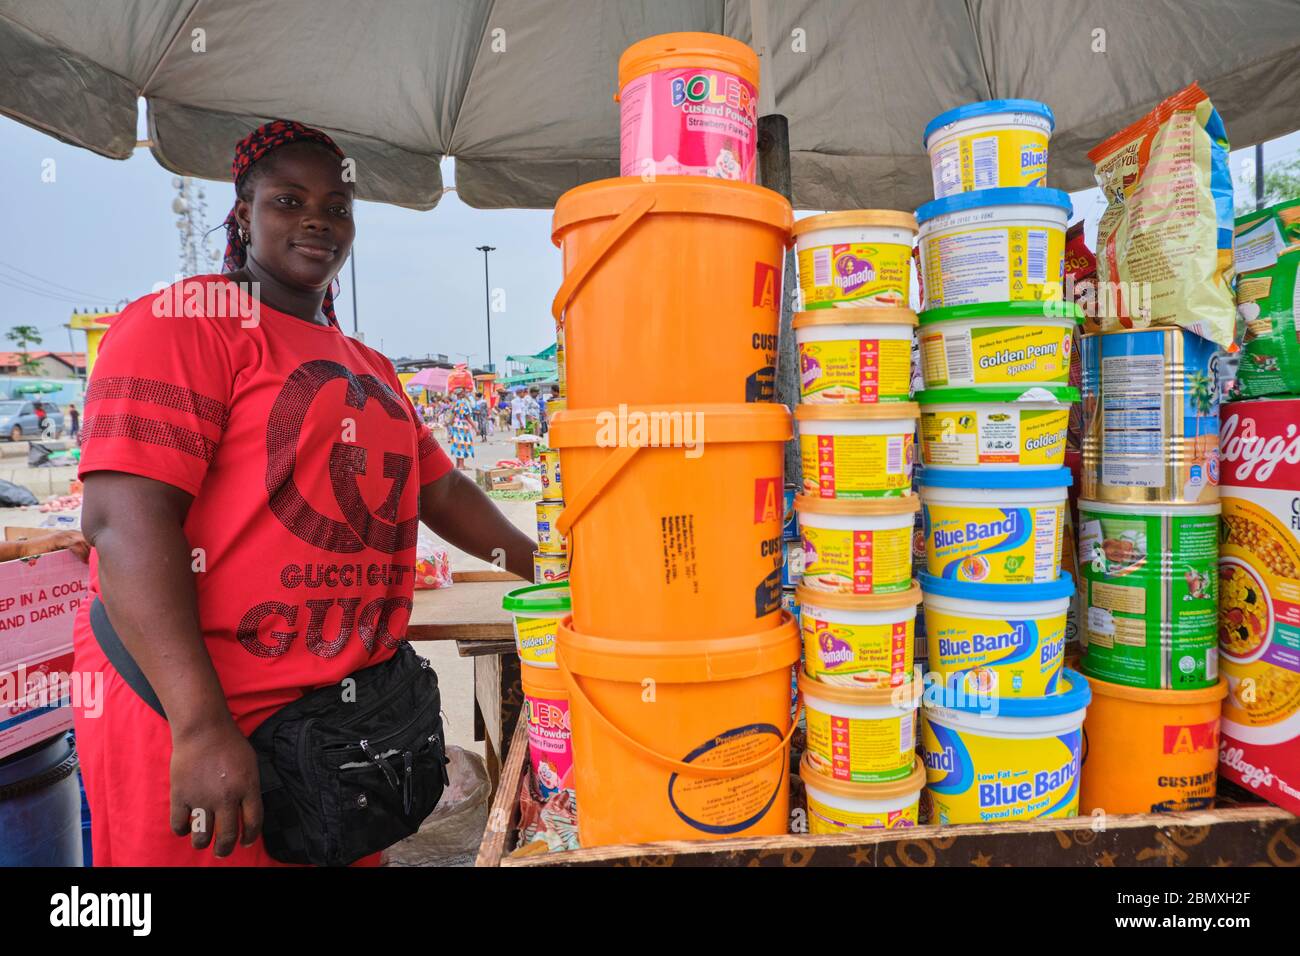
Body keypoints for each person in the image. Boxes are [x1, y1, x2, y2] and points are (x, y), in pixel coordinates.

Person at [71, 119, 536, 867]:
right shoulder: (184, 326)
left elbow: (441, 490)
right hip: (201, 718)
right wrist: (199, 726)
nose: (317, 219)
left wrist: (550, 572)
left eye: (337, 206)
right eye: (288, 200)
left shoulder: (369, 364)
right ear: (243, 216)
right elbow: (124, 522)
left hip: (339, 734)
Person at [448, 385, 476, 469]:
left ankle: (458, 464)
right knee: (462, 444)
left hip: (456, 426)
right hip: (462, 426)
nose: (465, 393)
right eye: (464, 391)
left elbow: (452, 416)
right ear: (461, 393)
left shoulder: (455, 403)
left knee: (458, 444)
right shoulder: (462, 403)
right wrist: (475, 428)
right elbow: (467, 417)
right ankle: (461, 465)